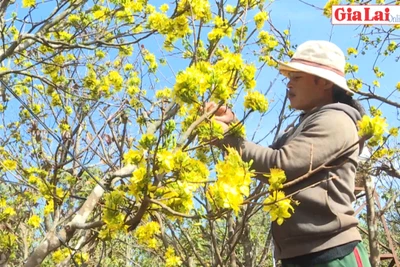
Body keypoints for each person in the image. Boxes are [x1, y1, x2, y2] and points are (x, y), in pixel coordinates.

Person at [208, 40, 372, 267]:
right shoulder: (305, 123)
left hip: (332, 253)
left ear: (323, 82)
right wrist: (233, 126)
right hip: (298, 255)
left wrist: (229, 140)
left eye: (296, 78)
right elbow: (266, 160)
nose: (288, 85)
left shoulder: (336, 120)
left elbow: (282, 165)